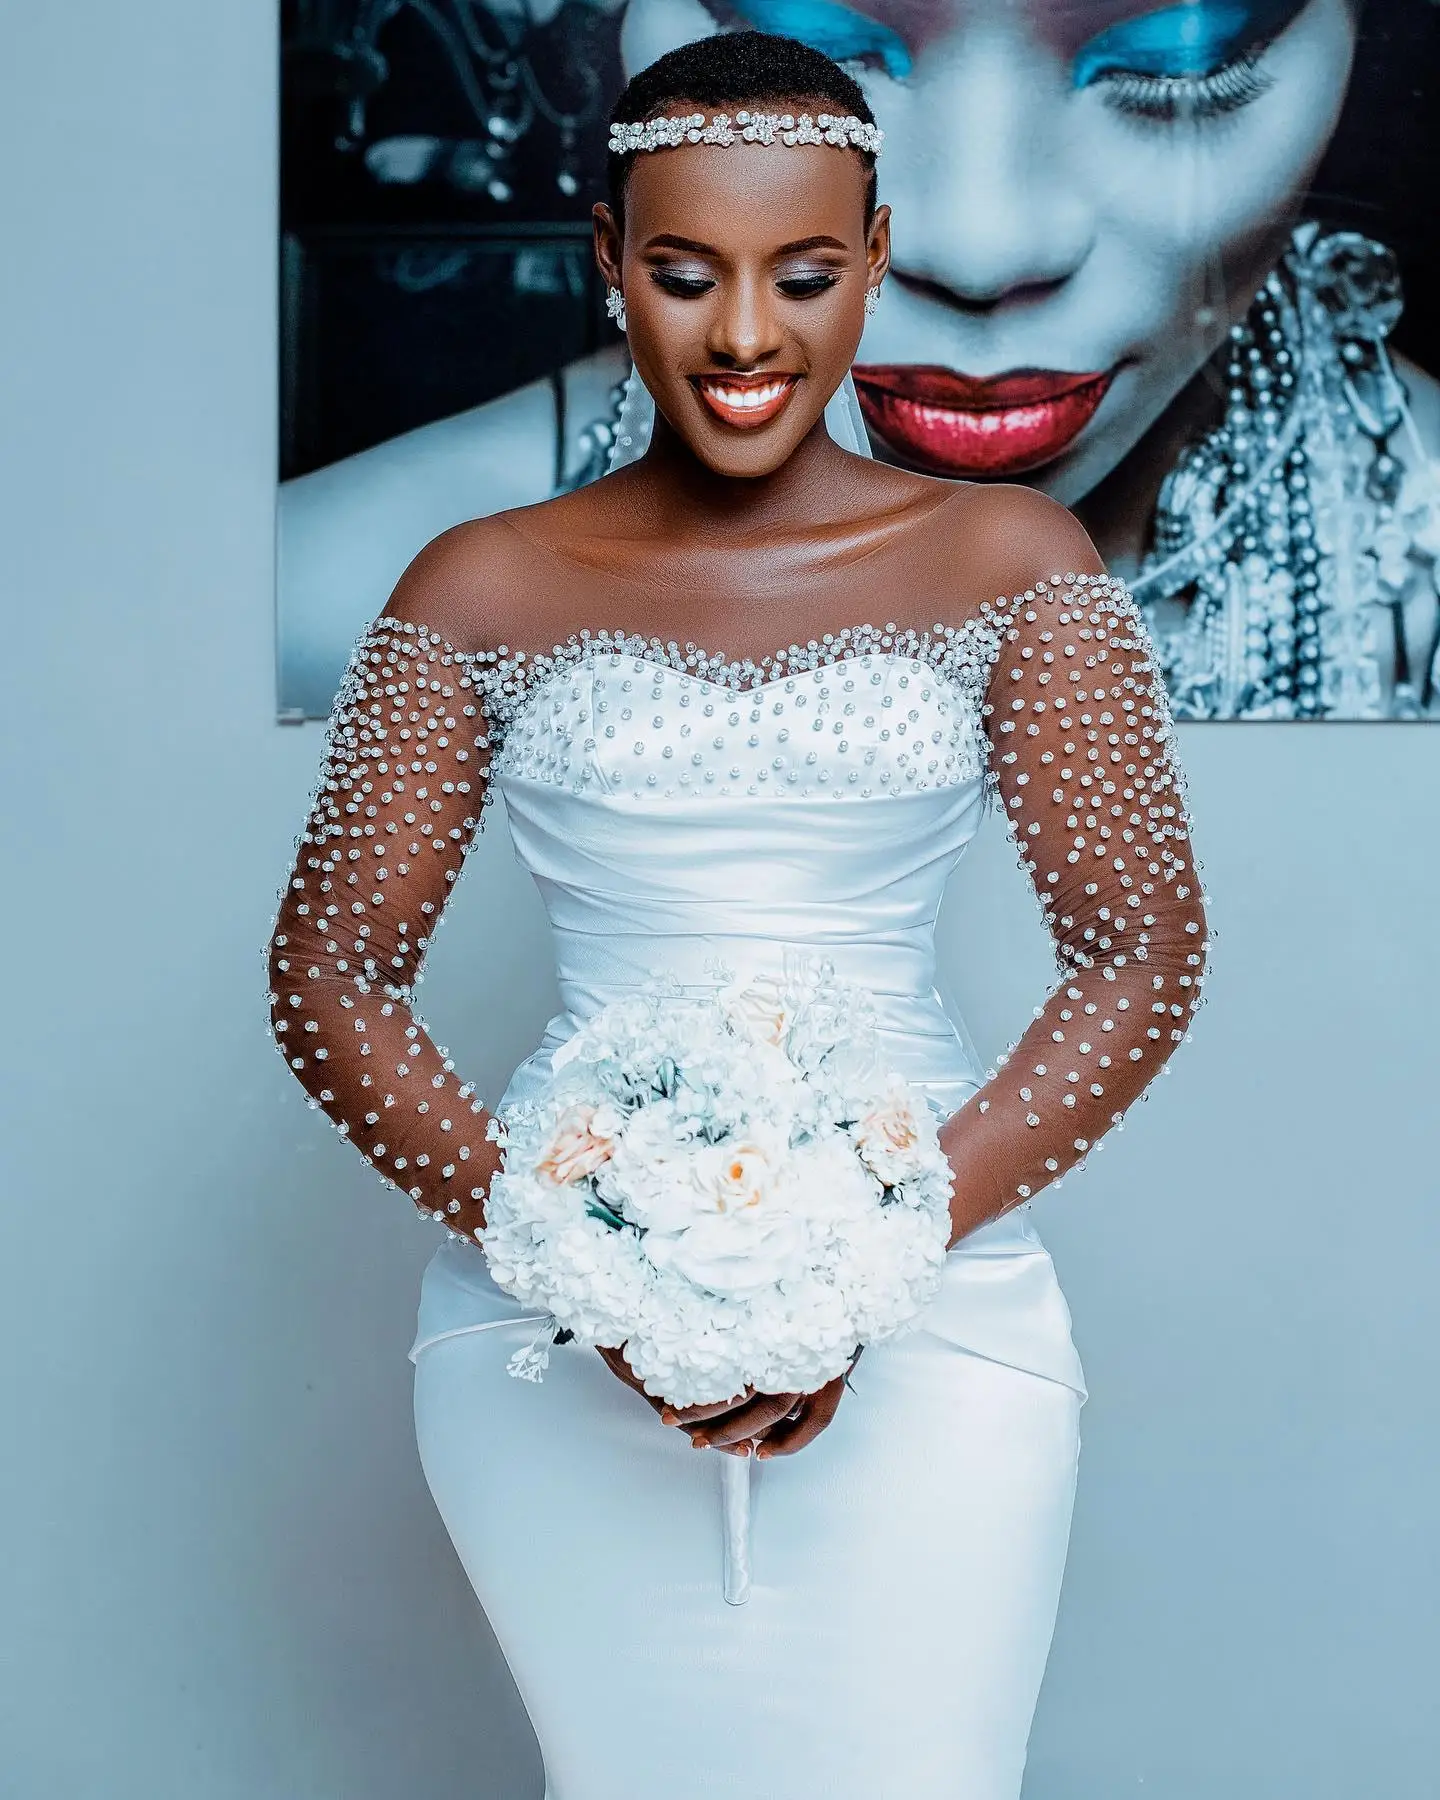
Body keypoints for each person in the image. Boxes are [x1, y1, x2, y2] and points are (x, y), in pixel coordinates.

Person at [268, 31, 1209, 1797]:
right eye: (688, 275)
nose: (747, 336)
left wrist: (868, 1260)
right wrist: (590, 1268)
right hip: (557, 1341)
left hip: (937, 1318)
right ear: (610, 260)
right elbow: (328, 974)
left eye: (804, 274)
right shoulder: (477, 581)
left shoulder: (1014, 564)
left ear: (876, 258)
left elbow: (1142, 954)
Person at [278, 0, 1440, 721]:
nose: (980, 245)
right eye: (803, 54)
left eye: (1178, 58)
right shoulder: (325, 613)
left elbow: (1142, 957)